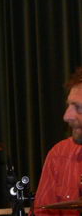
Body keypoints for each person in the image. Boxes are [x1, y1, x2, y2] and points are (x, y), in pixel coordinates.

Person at [35, 68, 82, 216]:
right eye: (68, 105)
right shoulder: (60, 154)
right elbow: (42, 212)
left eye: (78, 107)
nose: (66, 116)